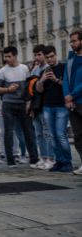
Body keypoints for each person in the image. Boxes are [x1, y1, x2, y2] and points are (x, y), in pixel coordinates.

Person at [0, 46, 39, 167]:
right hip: (8, 105)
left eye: (9, 56)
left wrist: (29, 103)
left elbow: (29, 87)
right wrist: (8, 89)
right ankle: (10, 160)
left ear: (15, 55)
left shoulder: (24, 69)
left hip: (23, 104)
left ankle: (34, 159)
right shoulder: (2, 71)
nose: (7, 59)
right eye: (5, 56)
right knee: (8, 133)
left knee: (28, 131)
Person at [36, 45, 73, 172]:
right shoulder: (44, 71)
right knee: (52, 136)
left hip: (61, 106)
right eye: (47, 58)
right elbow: (39, 90)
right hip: (47, 106)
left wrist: (56, 80)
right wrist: (42, 80)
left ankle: (67, 162)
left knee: (60, 134)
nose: (50, 60)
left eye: (51, 56)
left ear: (56, 55)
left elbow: (69, 86)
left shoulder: (64, 68)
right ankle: (59, 161)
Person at [28, 45, 54, 169]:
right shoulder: (35, 69)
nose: (37, 57)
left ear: (44, 55)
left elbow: (43, 88)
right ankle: (43, 158)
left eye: (39, 54)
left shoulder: (48, 68)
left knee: (47, 132)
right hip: (36, 105)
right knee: (38, 133)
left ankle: (50, 158)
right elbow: (30, 89)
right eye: (35, 55)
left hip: (45, 104)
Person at [63, 30, 82, 175]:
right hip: (72, 103)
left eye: (74, 41)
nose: (72, 44)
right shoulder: (70, 60)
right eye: (71, 41)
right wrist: (67, 97)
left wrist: (72, 95)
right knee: (78, 135)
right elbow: (65, 80)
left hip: (78, 99)